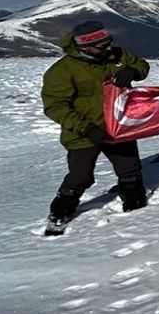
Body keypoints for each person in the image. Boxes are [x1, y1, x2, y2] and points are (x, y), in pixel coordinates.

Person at [41, 21, 150, 231]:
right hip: (83, 133)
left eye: (108, 42)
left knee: (129, 170)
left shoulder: (118, 56)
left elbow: (142, 65)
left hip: (118, 126)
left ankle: (136, 210)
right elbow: (55, 107)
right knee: (80, 177)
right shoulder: (63, 71)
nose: (108, 48)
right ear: (83, 46)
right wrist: (87, 129)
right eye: (101, 46)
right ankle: (59, 214)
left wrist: (133, 71)